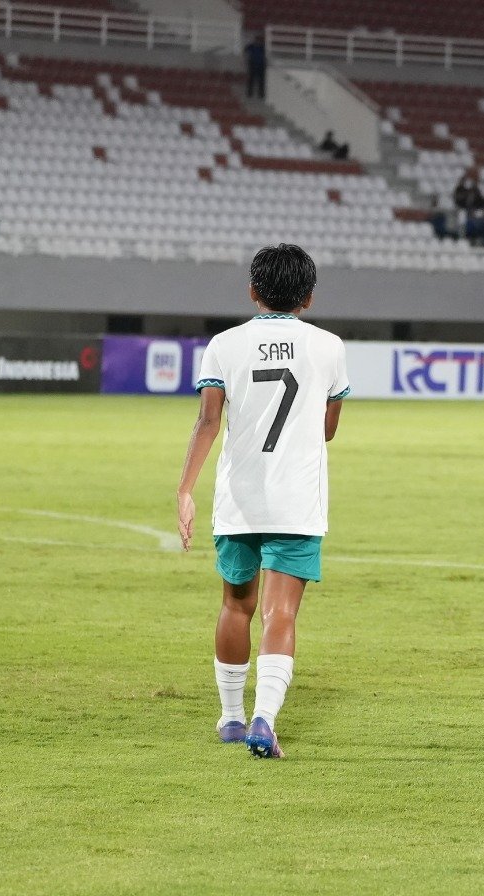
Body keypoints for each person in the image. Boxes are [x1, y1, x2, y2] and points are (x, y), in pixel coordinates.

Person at [175, 244, 349, 759]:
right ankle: (263, 720)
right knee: (281, 613)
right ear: (309, 298)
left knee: (235, 604)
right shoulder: (329, 346)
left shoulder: (225, 345)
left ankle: (230, 717)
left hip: (239, 498)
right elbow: (329, 428)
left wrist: (185, 489)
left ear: (253, 292)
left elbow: (208, 421)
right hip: (296, 498)